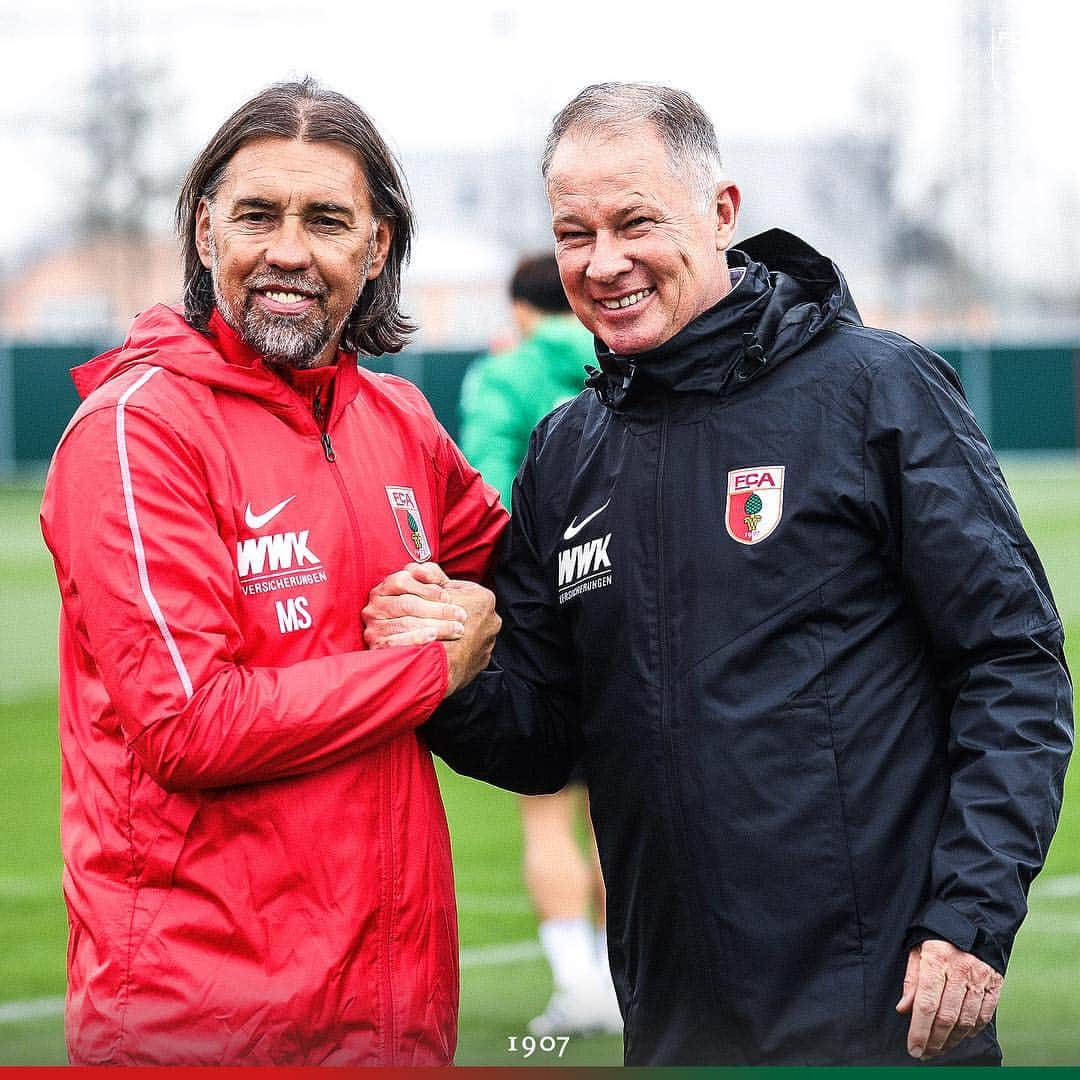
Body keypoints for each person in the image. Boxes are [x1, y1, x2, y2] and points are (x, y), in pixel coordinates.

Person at [361, 82, 1073, 1066]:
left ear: (722, 212)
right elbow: (544, 739)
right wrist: (451, 672)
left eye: (634, 222)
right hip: (674, 1021)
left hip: (884, 1009)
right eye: (575, 233)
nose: (604, 263)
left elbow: (1013, 667)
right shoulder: (567, 450)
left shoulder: (875, 390)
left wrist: (968, 917)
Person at [39, 78, 506, 1066]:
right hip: (201, 1026)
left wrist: (474, 602)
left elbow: (519, 574)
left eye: (326, 219)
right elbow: (188, 724)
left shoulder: (400, 424)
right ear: (207, 233)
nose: (287, 249)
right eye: (258, 214)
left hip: (396, 1016)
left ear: (377, 249)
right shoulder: (137, 430)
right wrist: (431, 666)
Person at [458, 253, 621, 1037]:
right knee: (627, 811)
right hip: (630, 604)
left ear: (520, 310)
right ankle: (632, 981)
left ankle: (580, 985)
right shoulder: (628, 353)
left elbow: (484, 498)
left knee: (546, 813)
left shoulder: (506, 374)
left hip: (542, 614)